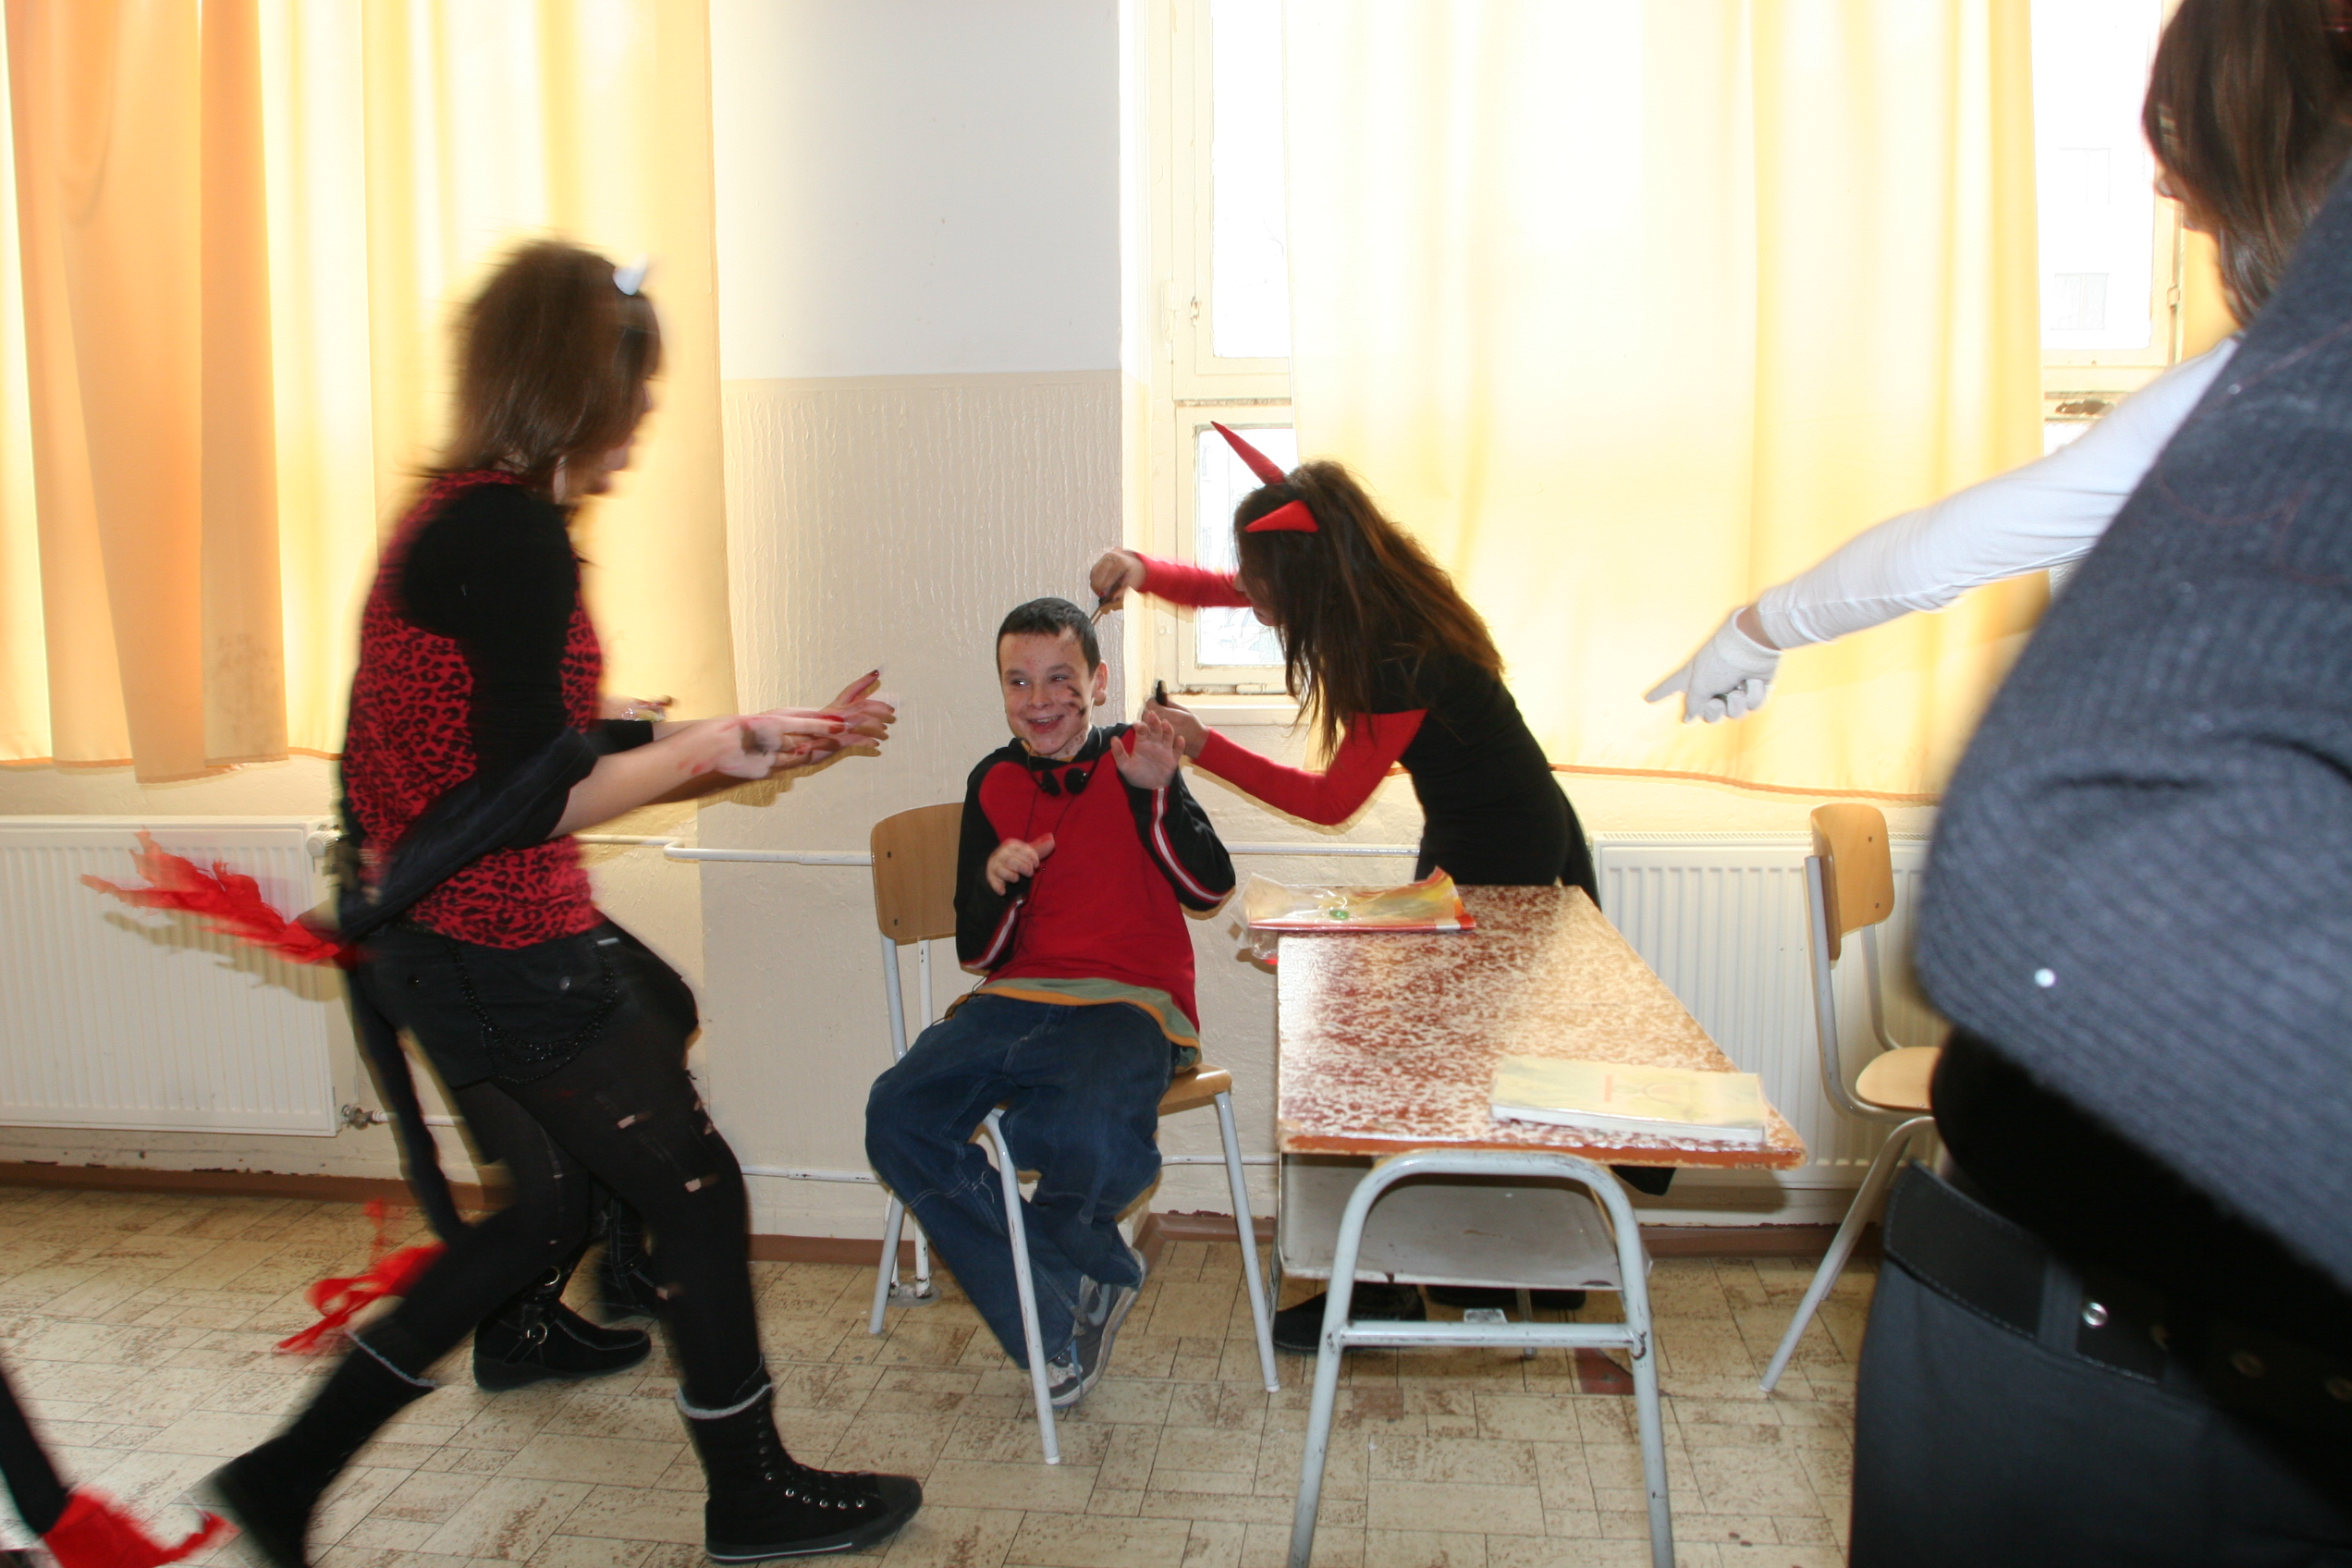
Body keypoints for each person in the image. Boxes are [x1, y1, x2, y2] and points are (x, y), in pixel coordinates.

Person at [202, 241, 922, 1567]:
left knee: (540, 1213)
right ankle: (752, 1493)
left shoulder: (461, 516)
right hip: (501, 943)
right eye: (633, 393)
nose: (640, 425)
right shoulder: (512, 534)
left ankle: (285, 1471)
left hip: (441, 944)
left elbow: (526, 746)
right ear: (578, 387)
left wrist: (740, 734)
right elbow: (534, 797)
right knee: (694, 1188)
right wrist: (715, 749)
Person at [1857, 153, 2352, 1564]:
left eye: (2197, 152)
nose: (2169, 192)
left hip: (2164, 1329)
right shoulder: (2281, 399)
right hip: (2092, 1297)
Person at [1645, 0, 2352, 725]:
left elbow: (1943, 551)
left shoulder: (2257, 387)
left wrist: (1754, 632)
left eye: (2179, 141)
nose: (2165, 185)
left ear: (2258, 154)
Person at [1091, 424, 1632, 1350]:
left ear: (1301, 578)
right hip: (1480, 833)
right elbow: (1227, 586)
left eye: (1262, 585)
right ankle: (1464, 1275)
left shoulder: (1395, 654)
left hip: (1504, 850)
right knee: (1452, 1054)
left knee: (1429, 1057)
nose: (1251, 598)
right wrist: (1143, 570)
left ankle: (1399, 1287)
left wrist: (1204, 745)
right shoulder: (1363, 585)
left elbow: (1330, 802)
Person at [864, 598, 1233, 1408]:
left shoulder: (1137, 755)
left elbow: (1211, 888)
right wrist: (998, 884)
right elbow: (979, 954)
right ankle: (1075, 1289)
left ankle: (1060, 1299)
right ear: (1002, 691)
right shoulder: (993, 780)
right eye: (1019, 682)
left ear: (1098, 683)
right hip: (1016, 997)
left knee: (1086, 1132)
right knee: (897, 1113)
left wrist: (1157, 796)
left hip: (1133, 1003)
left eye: (1060, 678)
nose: (1039, 700)